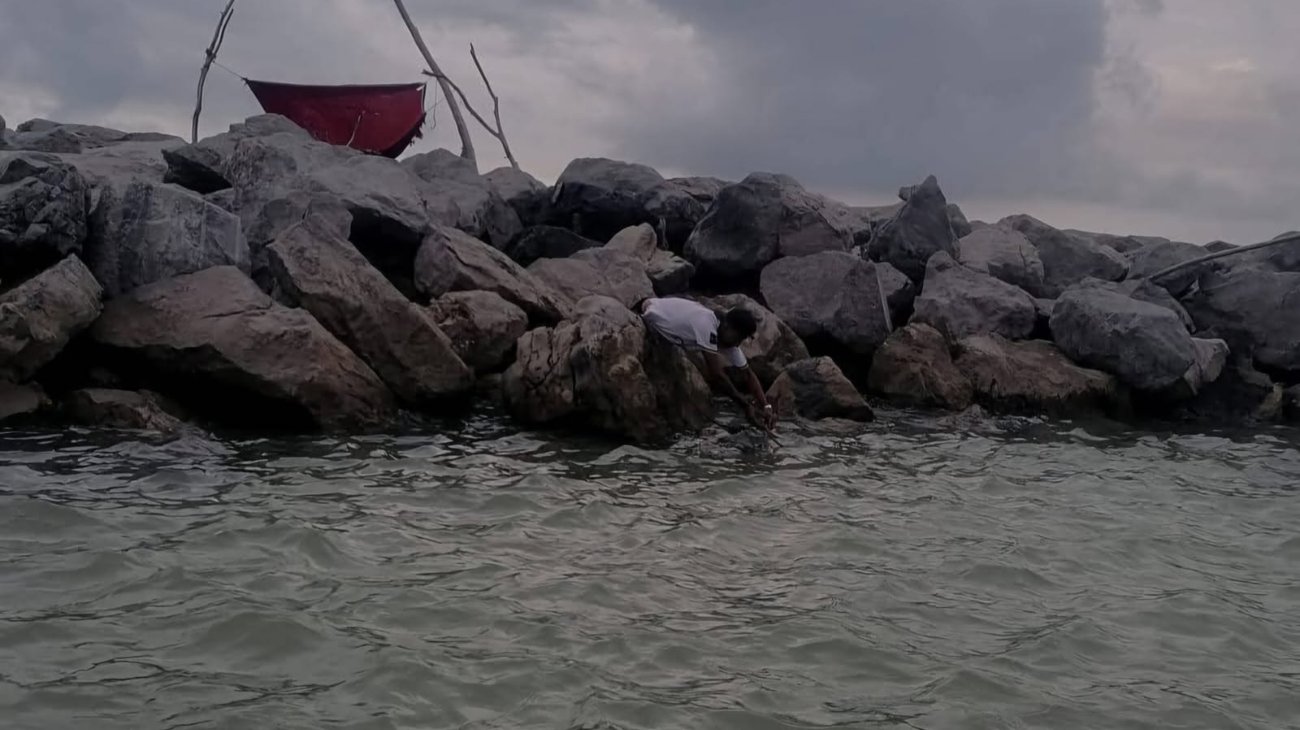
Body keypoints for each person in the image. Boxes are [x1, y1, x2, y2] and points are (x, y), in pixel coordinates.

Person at [638, 296, 777, 430]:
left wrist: (766, 406)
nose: (738, 343)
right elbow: (717, 374)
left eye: (742, 339)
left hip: (670, 335)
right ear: (727, 326)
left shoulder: (728, 341)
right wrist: (745, 405)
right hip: (650, 309)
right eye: (738, 337)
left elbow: (748, 375)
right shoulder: (706, 323)